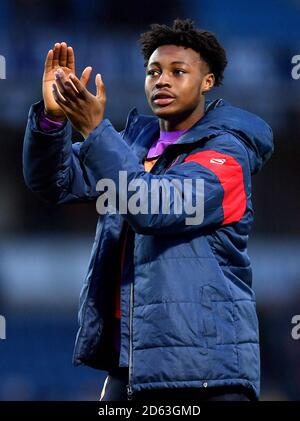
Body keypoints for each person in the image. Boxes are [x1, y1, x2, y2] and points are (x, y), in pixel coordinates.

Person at [23, 19, 274, 401]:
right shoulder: (131, 148)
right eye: (153, 71)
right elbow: (54, 182)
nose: (162, 80)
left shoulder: (226, 155)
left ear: (207, 82)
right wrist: (53, 119)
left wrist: (95, 131)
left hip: (205, 374)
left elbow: (152, 208)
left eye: (178, 71)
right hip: (134, 366)